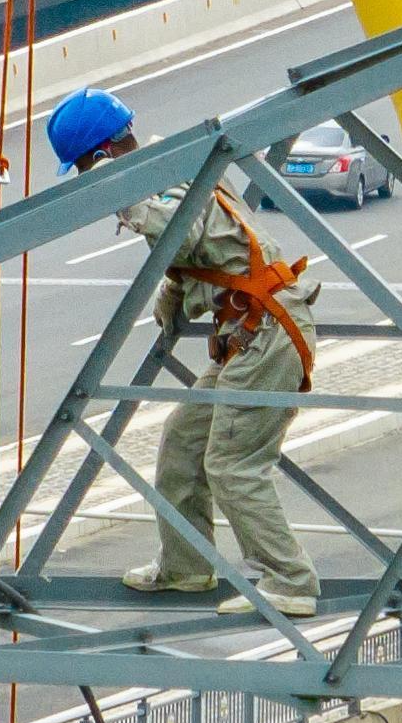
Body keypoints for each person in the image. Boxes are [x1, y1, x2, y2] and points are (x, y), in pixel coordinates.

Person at [47, 89, 323, 618]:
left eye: (86, 167)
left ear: (103, 155)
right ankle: (187, 565)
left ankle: (291, 581)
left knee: (232, 463)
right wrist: (173, 296)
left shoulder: (167, 180)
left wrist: (122, 197)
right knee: (182, 442)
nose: (88, 178)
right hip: (249, 331)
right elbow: (208, 251)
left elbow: (182, 233)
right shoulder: (175, 169)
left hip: (267, 333)